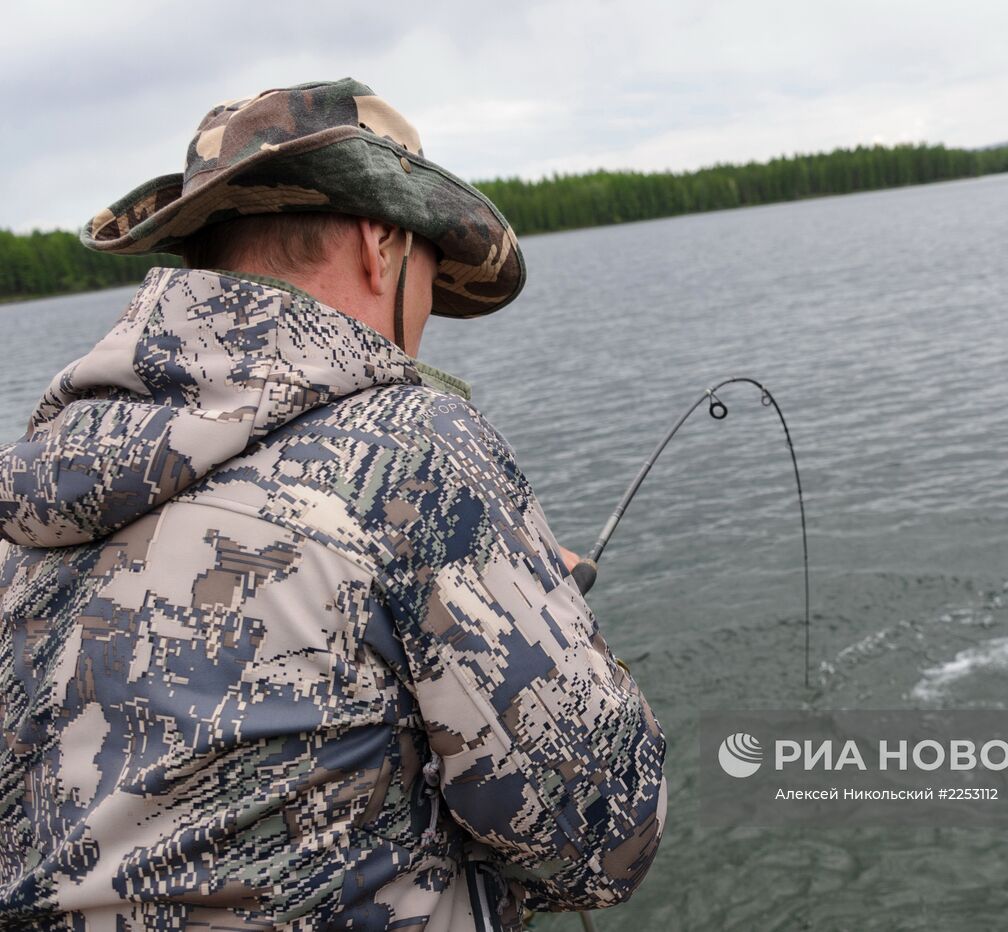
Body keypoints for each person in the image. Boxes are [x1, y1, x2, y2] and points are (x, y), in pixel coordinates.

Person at [0, 79, 666, 931]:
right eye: (427, 270)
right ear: (381, 243)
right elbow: (609, 836)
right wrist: (542, 621)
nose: (427, 311)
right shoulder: (412, 451)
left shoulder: (47, 476)